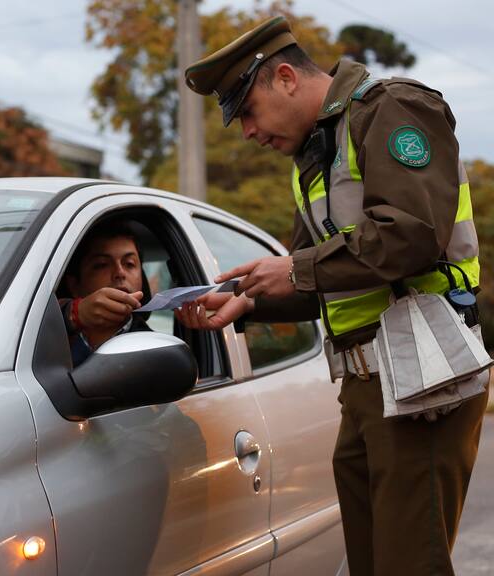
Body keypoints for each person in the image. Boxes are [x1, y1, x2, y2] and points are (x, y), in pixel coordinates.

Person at [177, 15, 488, 576]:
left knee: (408, 565)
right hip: (367, 388)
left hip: (422, 376)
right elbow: (322, 279)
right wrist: (249, 301)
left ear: (286, 78)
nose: (248, 132)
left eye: (248, 111)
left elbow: (413, 234)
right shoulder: (315, 154)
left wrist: (297, 270)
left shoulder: (391, 108)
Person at [59, 218, 151, 367]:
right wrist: (72, 314)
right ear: (74, 285)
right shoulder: (38, 343)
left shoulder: (155, 348)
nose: (120, 273)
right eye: (102, 265)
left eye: (129, 264)